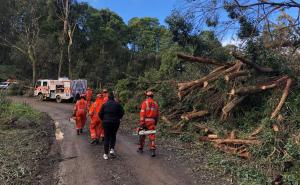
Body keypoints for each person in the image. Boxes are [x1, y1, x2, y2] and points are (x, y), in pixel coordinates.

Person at [99, 91, 124, 160]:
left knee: (106, 137)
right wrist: (119, 118)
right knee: (113, 135)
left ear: (108, 98)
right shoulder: (117, 104)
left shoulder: (104, 104)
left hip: (106, 123)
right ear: (114, 98)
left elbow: (100, 114)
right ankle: (112, 149)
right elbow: (122, 112)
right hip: (115, 122)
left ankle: (105, 154)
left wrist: (103, 119)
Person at [138, 90, 159, 157]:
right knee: (152, 135)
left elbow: (142, 113)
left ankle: (141, 148)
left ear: (147, 96)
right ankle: (152, 149)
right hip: (152, 121)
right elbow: (157, 115)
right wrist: (155, 122)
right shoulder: (155, 104)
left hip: (145, 121)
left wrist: (141, 123)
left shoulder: (145, 103)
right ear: (152, 96)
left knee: (142, 134)